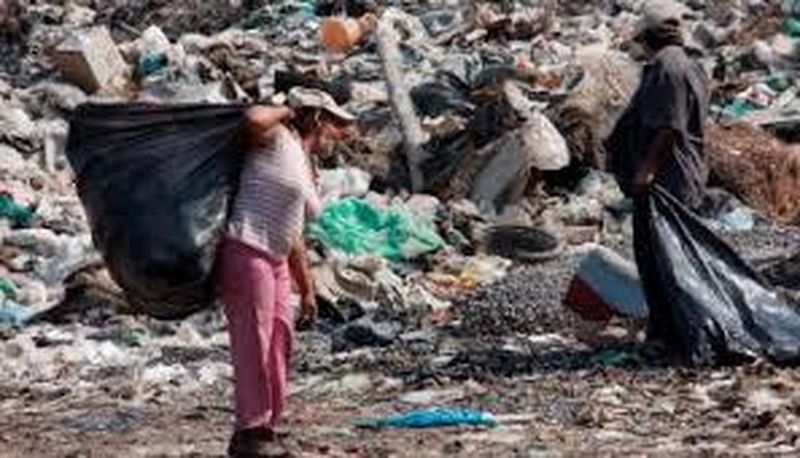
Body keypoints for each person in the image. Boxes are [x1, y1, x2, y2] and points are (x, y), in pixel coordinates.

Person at [218, 87, 356, 457]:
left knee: (279, 341)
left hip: (276, 259)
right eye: (332, 123)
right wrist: (286, 110)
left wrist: (306, 288)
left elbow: (294, 231)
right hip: (247, 248)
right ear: (314, 118)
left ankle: (267, 427)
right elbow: (251, 119)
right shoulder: (277, 138)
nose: (338, 134)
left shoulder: (304, 162)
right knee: (255, 342)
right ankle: (251, 431)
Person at [605, 0, 710, 210]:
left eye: (640, 38)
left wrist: (647, 170)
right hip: (677, 176)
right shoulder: (687, 64)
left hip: (668, 180)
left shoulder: (667, 66)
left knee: (664, 239)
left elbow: (669, 126)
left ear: (648, 37)